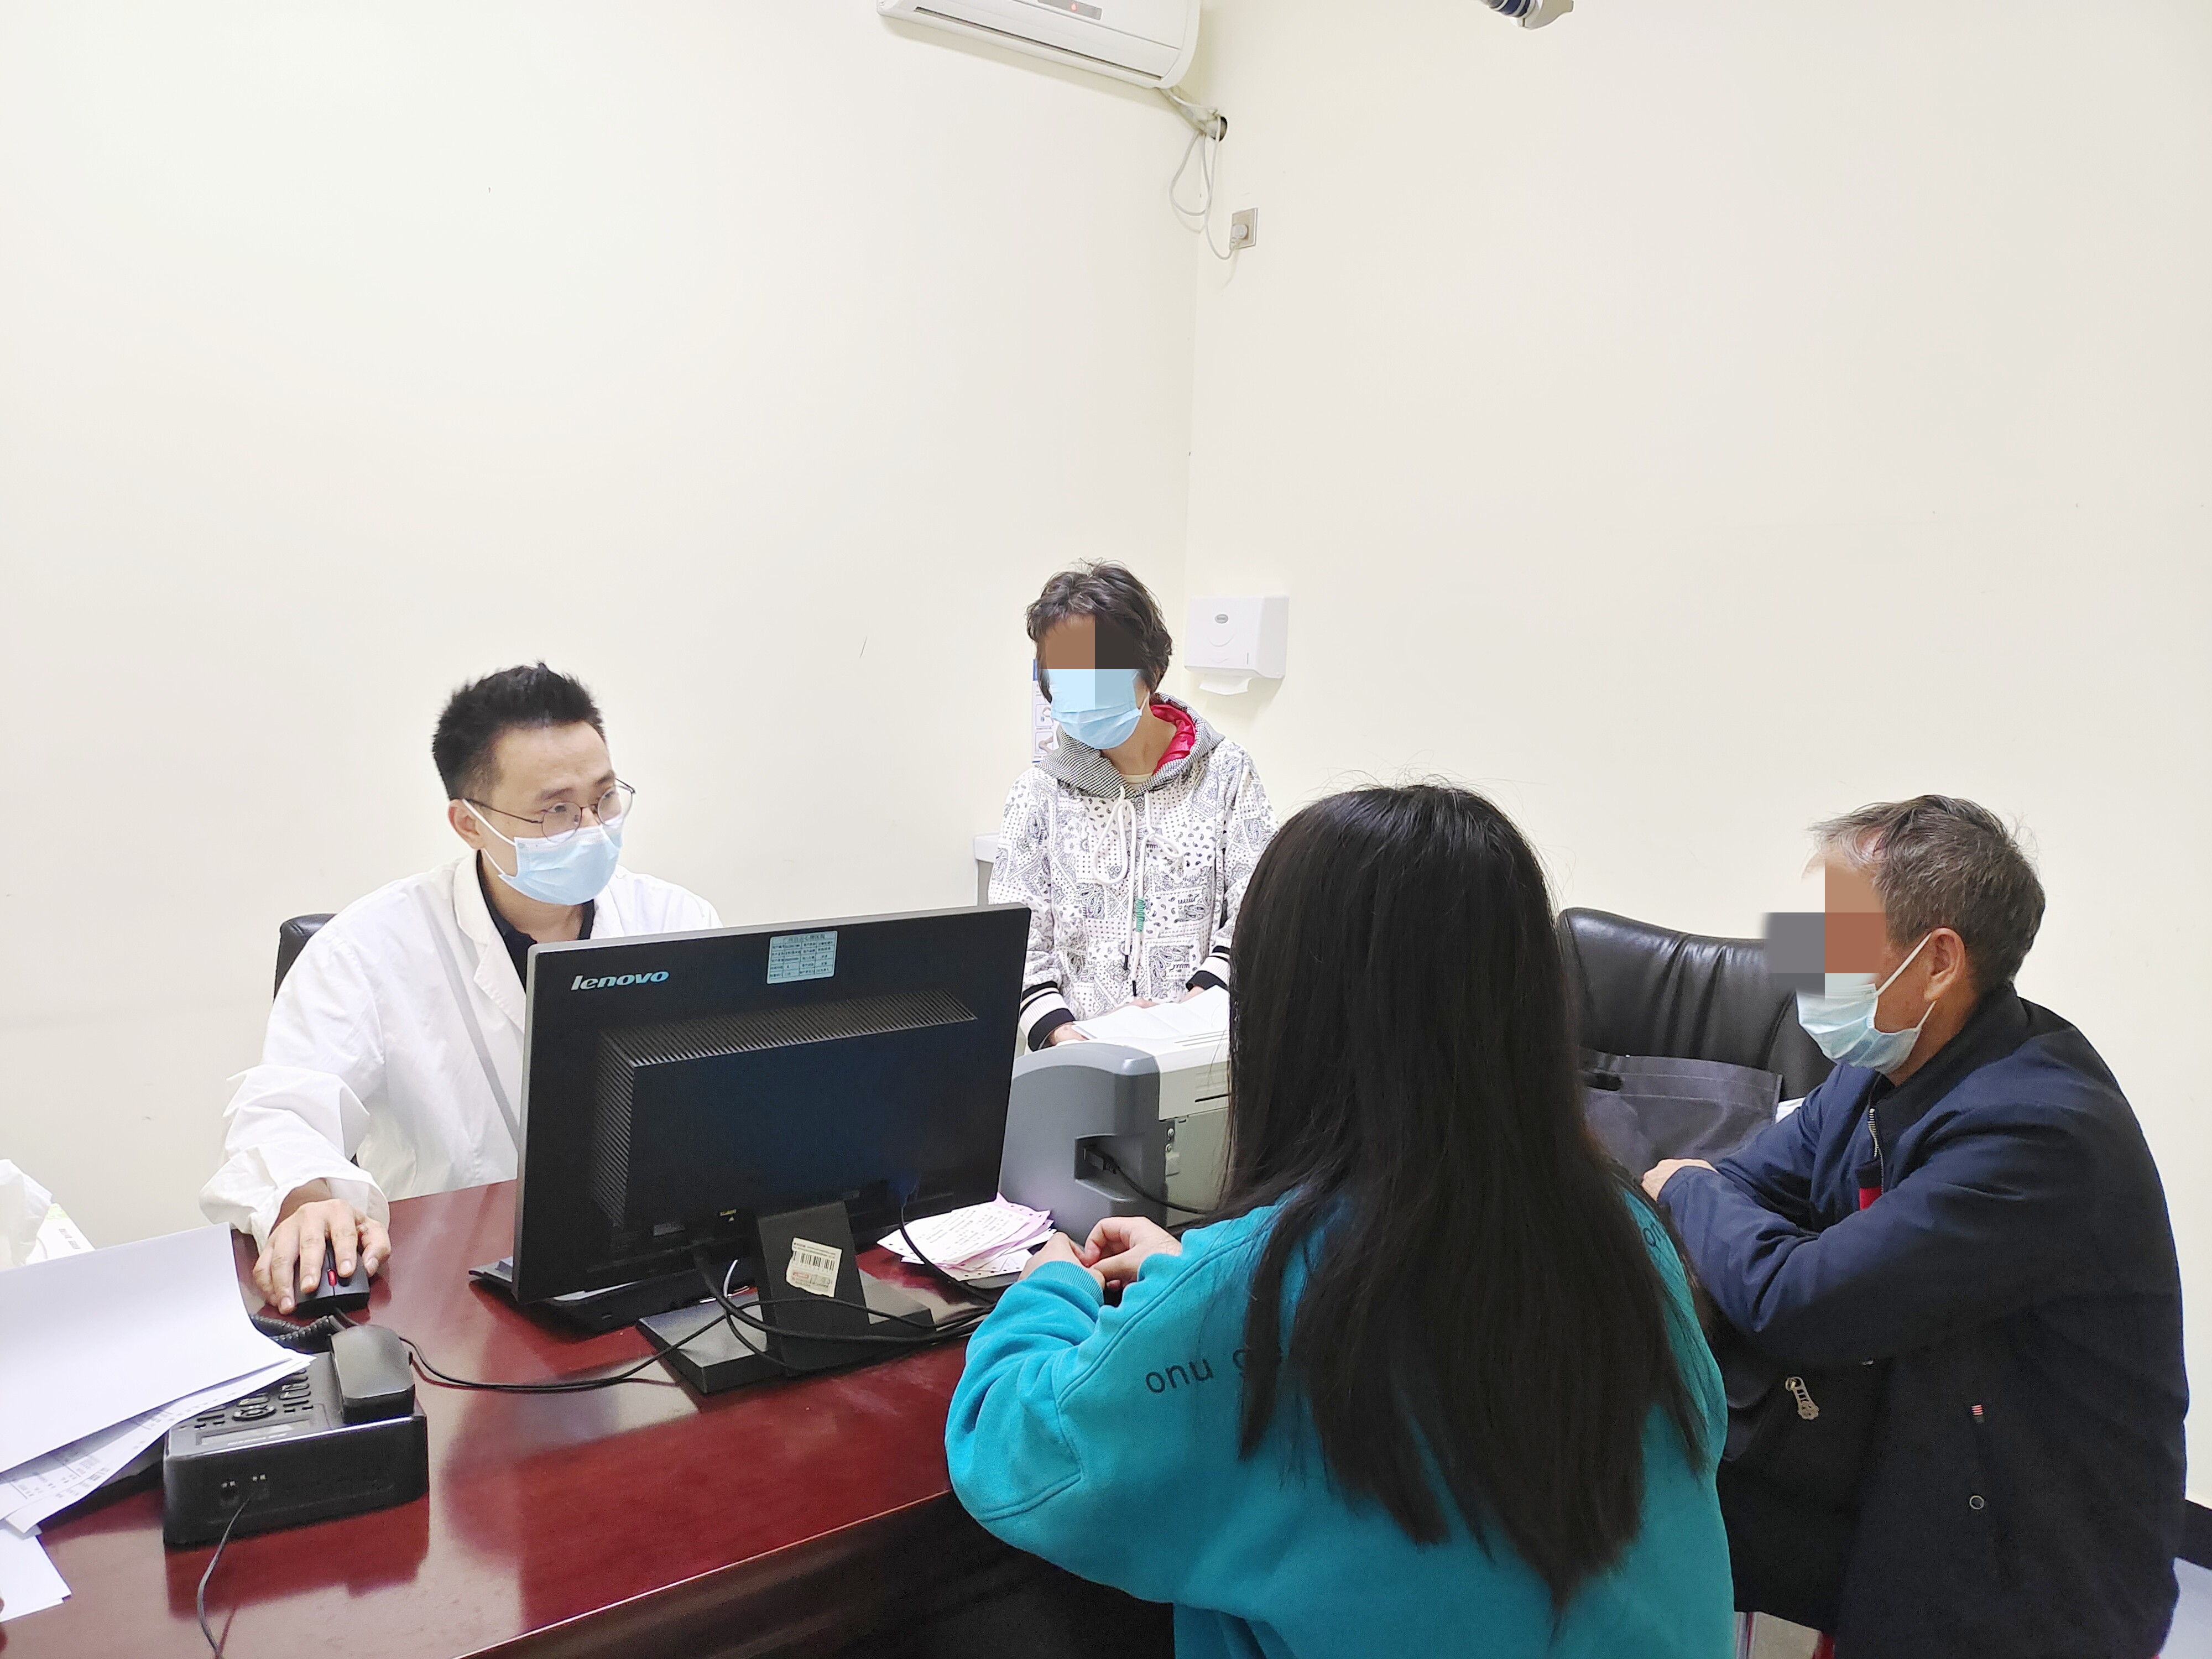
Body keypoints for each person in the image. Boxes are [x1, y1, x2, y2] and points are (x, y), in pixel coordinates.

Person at [948, 784, 1734, 1657]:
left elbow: (1022, 1456)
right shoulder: (1628, 1233)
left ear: (1289, 1017)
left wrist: (1050, 1290)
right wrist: (1200, 1281)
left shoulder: (1255, 1300)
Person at [1644, 796, 2186, 1659]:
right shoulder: (1882, 1070)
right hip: (1910, 1462)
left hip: (2031, 1570)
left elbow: (1796, 1300)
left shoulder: (2041, 1134)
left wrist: (1683, 1184)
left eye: (1829, 933)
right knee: (1645, 1490)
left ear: (1936, 962)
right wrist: (1715, 1197)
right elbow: (1749, 1180)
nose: (1799, 959)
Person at [201, 664, 720, 1313]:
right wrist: (306, 1200)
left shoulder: (675, 921)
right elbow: (282, 1111)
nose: (592, 827)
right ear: (470, 823)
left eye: (605, 797)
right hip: (446, 1290)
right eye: (556, 810)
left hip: (655, 1272)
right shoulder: (368, 948)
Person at [992, 563, 1275, 1051]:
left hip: (1199, 1049)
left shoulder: (1225, 774)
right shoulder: (1038, 794)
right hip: (1081, 1056)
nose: (1082, 686)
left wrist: (1192, 1010)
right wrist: (1067, 1038)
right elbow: (1015, 944)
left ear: (1152, 670)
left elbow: (1261, 909)